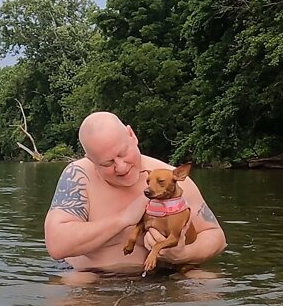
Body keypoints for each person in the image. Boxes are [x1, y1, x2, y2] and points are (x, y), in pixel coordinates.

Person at [44, 111, 226, 274]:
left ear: (132, 135)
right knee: (72, 284)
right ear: (90, 159)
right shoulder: (79, 177)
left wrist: (184, 254)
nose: (121, 168)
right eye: (107, 163)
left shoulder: (170, 179)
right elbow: (57, 245)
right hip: (93, 276)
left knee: (206, 281)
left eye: (123, 154)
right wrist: (123, 219)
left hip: (163, 274)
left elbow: (216, 237)